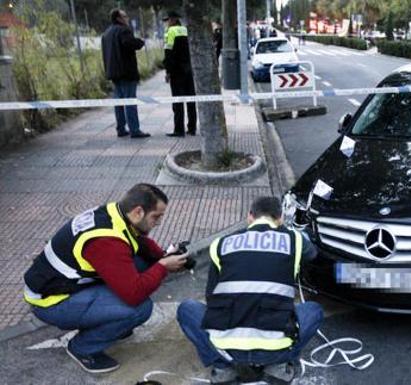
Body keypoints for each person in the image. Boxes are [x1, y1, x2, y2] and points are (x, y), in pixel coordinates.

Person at [23, 184, 189, 373]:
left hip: (59, 284)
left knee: (143, 264)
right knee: (140, 308)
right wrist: (162, 266)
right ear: (138, 212)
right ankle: (82, 348)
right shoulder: (106, 242)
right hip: (52, 303)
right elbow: (133, 294)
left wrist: (162, 255)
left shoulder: (114, 213)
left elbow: (137, 240)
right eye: (156, 217)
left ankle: (112, 322)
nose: (158, 222)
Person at [177, 197, 323, 384]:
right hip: (276, 349)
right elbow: (312, 254)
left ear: (249, 217)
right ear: (279, 219)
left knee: (187, 309)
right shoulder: (294, 239)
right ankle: (278, 367)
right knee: (313, 310)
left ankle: (223, 368)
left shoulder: (221, 243)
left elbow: (211, 297)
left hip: (226, 350)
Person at [101, 9, 150, 139]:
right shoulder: (124, 30)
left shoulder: (106, 34)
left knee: (119, 102)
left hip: (114, 73)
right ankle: (134, 130)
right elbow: (129, 43)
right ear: (118, 18)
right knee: (130, 102)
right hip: (126, 73)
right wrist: (140, 42)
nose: (127, 18)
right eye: (125, 16)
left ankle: (121, 128)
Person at [162, 10, 197, 137]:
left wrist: (168, 71)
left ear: (172, 20)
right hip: (189, 70)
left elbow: (169, 53)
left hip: (177, 71)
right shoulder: (185, 30)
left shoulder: (170, 32)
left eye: (167, 20)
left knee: (177, 101)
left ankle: (179, 129)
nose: (166, 23)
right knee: (191, 100)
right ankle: (192, 128)